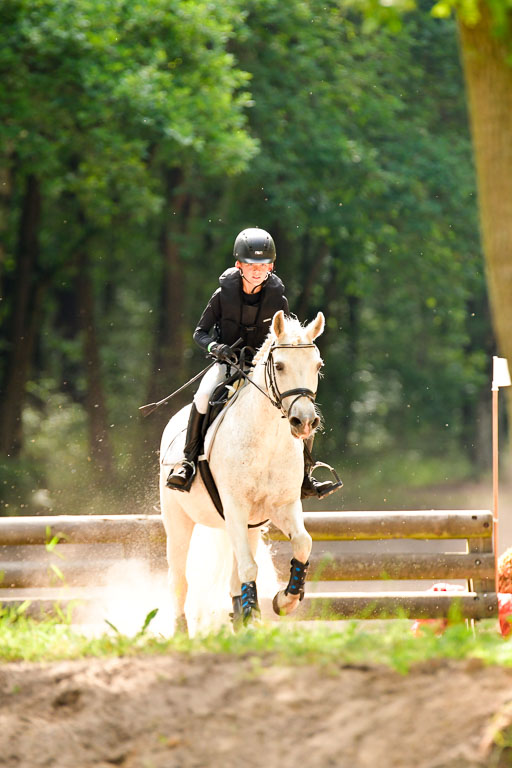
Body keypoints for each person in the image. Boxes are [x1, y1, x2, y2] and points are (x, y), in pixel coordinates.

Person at [166, 227, 342, 499]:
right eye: (250, 265)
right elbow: (199, 333)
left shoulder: (277, 297)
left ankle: (306, 473)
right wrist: (217, 347)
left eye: (263, 265)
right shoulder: (222, 293)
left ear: (270, 266)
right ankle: (188, 462)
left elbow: (282, 338)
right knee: (202, 397)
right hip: (227, 364)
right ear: (239, 265)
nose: (257, 271)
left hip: (262, 368)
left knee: (300, 406)